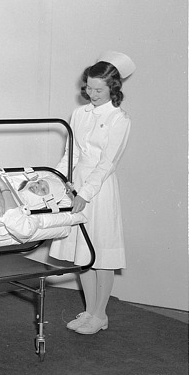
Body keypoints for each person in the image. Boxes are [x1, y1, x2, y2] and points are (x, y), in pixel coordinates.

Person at [49, 50, 135, 335]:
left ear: (113, 88)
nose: (92, 93)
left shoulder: (119, 119)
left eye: (99, 89)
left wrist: (84, 193)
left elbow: (107, 163)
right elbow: (70, 155)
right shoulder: (79, 113)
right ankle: (88, 311)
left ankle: (100, 315)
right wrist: (57, 180)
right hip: (77, 188)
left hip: (99, 190)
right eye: (88, 87)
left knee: (101, 254)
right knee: (83, 254)